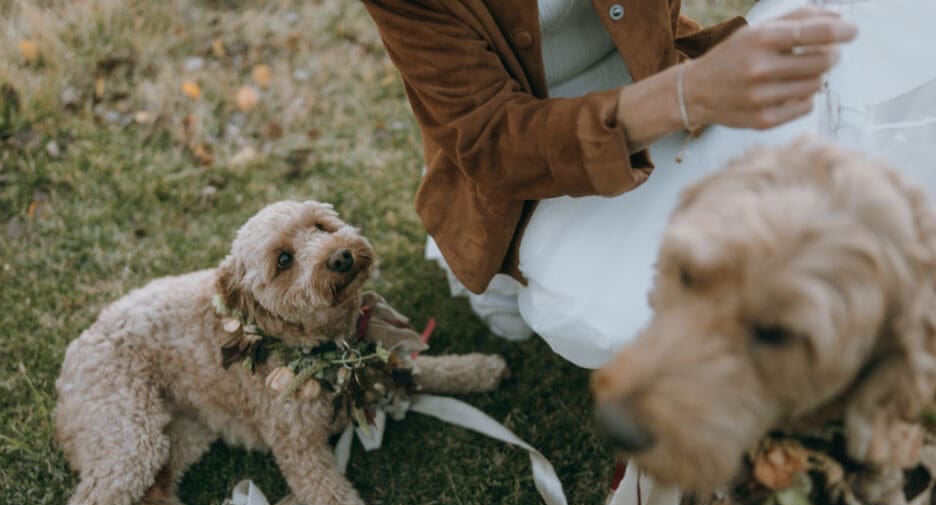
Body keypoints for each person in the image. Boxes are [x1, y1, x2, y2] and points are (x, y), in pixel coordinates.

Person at [363, 0, 936, 367]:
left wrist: (694, 89)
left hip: (662, 71)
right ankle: (486, 269)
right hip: (536, 171)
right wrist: (686, 96)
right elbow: (491, 139)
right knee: (644, 317)